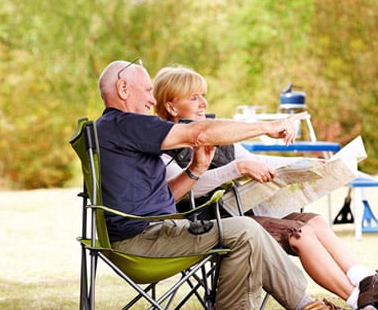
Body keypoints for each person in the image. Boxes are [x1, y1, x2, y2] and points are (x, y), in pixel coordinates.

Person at [95, 59, 347, 310]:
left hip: (150, 232)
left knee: (245, 232)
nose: (152, 100)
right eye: (148, 90)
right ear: (123, 89)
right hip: (142, 240)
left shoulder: (112, 130)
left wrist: (195, 170)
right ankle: (306, 306)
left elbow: (167, 194)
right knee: (245, 231)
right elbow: (198, 133)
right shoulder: (126, 124)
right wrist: (266, 127)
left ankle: (307, 305)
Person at [152, 65, 378, 310]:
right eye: (194, 98)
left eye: (203, 95)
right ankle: (360, 303)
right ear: (171, 107)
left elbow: (259, 162)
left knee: (315, 221)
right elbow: (189, 187)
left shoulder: (219, 134)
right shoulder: (161, 148)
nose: (203, 103)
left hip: (244, 211)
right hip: (212, 226)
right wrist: (237, 168)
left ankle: (368, 282)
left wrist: (304, 165)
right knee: (301, 234)